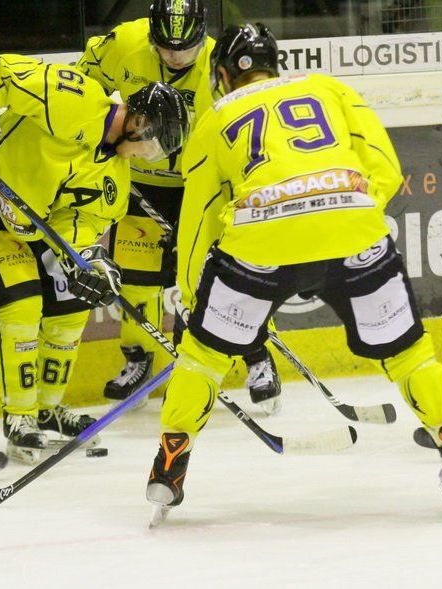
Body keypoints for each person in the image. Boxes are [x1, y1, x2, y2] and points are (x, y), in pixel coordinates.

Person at [146, 23, 442, 523]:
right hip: (352, 229)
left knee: (201, 359)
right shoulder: (331, 88)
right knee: (410, 355)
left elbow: (199, 216)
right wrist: (346, 216)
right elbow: (387, 170)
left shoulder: (214, 118)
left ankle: (168, 472)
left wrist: (188, 286)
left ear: (222, 74)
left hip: (260, 241)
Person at [0, 54, 189, 464]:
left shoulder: (115, 180)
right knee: (21, 306)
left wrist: (88, 260)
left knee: (72, 306)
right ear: (139, 122)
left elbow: (76, 224)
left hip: (29, 226)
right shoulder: (73, 96)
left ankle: (46, 409)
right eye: (155, 145)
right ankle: (19, 419)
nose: (150, 157)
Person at [77, 0, 282, 414]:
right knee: (134, 278)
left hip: (200, 186)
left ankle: (258, 356)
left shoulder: (219, 65)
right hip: (143, 182)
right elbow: (82, 82)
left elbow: (248, 122)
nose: (174, 57)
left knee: (226, 274)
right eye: (166, 48)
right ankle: (139, 357)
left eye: (184, 49)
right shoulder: (123, 44)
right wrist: (97, 131)